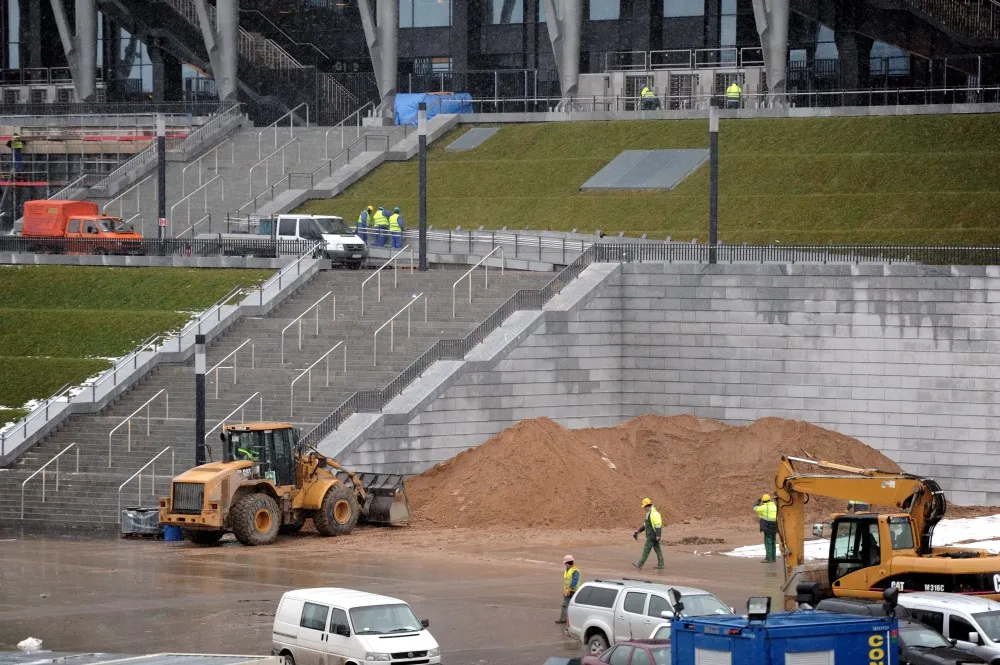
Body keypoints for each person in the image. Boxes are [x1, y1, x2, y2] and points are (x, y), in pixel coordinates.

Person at [632, 498, 664, 569]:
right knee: (657, 549)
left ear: (647, 505)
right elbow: (645, 525)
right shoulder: (649, 514)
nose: (644, 508)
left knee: (646, 549)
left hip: (652, 535)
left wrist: (658, 535)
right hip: (652, 534)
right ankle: (661, 564)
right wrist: (638, 531)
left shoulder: (655, 514)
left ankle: (640, 563)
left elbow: (658, 525)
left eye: (644, 507)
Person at [754, 493, 778, 563]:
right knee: (773, 542)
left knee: (768, 542)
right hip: (774, 525)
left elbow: (755, 508)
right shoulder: (774, 505)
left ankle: (768, 558)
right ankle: (773, 558)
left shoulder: (764, 507)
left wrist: (758, 502)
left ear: (763, 501)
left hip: (767, 526)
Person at [556, 554, 580, 624]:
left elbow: (574, 581)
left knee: (574, 606)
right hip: (568, 591)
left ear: (567, 563)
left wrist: (569, 589)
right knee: (564, 605)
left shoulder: (575, 571)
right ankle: (562, 619)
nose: (564, 564)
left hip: (574, 591)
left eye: (565, 563)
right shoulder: (567, 570)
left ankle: (574, 621)